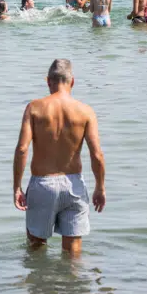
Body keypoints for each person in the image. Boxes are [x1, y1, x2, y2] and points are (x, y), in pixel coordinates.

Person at [12, 59, 106, 257]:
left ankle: (41, 285)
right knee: (73, 256)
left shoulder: (34, 108)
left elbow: (22, 149)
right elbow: (97, 154)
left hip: (43, 184)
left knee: (36, 249)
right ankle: (71, 286)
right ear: (72, 82)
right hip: (74, 185)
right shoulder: (86, 111)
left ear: (48, 81)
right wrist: (100, 187)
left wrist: (17, 187)